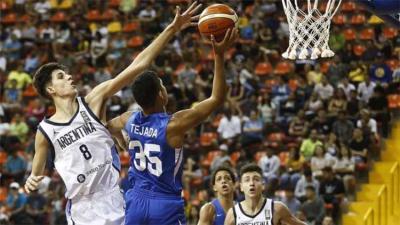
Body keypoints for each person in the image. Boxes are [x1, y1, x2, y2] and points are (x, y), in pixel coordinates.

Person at [23, 2, 201, 225]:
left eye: (66, 74)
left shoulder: (93, 101)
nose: (69, 77)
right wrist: (32, 179)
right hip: (82, 209)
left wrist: (171, 29)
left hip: (114, 197)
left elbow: (138, 65)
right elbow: (36, 171)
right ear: (50, 90)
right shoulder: (45, 131)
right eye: (61, 76)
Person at [107, 28, 238, 224]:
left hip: (135, 201)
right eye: (162, 85)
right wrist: (219, 55)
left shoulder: (129, 119)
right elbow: (217, 98)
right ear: (161, 94)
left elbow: (109, 126)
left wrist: (122, 141)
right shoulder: (173, 125)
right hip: (165, 204)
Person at [224, 164, 306, 225]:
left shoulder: (277, 209)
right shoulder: (233, 213)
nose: (252, 183)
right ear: (241, 187)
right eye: (247, 180)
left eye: (256, 179)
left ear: (263, 185)